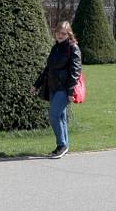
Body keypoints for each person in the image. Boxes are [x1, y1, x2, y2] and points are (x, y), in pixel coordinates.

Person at [31, 21, 82, 159]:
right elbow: (48, 69)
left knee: (53, 116)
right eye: (58, 33)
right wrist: (36, 84)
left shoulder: (73, 48)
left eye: (63, 33)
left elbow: (75, 71)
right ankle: (64, 145)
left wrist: (71, 91)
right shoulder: (56, 48)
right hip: (53, 87)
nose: (60, 35)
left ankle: (61, 145)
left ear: (69, 34)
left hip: (64, 89)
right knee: (60, 117)